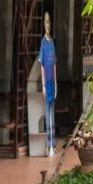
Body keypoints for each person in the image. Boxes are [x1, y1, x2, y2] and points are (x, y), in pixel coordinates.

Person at [38, 13, 57, 156]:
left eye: (49, 23)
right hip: (47, 81)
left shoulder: (52, 43)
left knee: (52, 113)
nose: (48, 26)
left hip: (52, 81)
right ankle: (48, 144)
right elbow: (42, 65)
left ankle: (53, 144)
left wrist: (55, 84)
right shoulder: (43, 43)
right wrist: (43, 85)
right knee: (47, 112)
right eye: (46, 23)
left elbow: (54, 64)